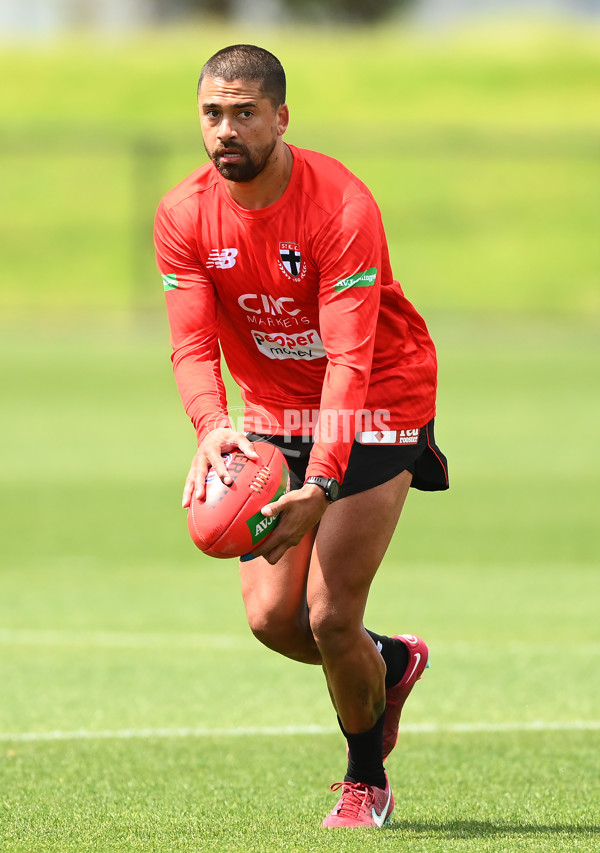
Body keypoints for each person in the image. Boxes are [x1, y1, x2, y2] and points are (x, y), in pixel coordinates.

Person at [154, 44, 449, 829]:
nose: (227, 130)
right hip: (274, 409)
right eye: (213, 114)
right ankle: (390, 663)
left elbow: (351, 360)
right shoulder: (183, 215)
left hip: (379, 397)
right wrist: (213, 427)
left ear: (281, 118)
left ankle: (366, 778)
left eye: (245, 112)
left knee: (326, 614)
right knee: (271, 621)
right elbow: (191, 345)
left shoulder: (341, 207)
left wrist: (321, 485)